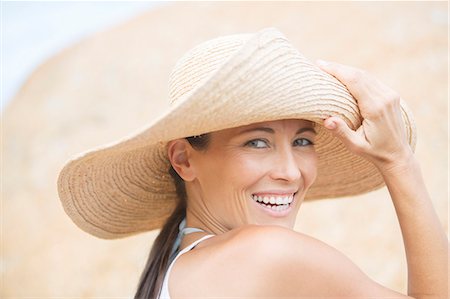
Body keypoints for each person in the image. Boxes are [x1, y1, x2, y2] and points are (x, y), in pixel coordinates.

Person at [57, 28, 448, 299]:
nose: (291, 171)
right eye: (257, 142)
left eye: (302, 141)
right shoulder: (265, 253)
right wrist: (399, 163)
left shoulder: (175, 268)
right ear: (183, 159)